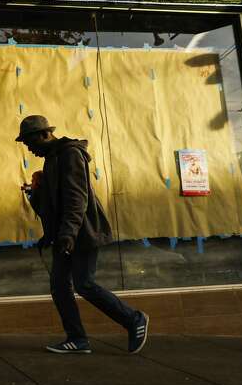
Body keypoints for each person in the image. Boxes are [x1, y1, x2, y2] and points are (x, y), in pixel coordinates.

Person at [16, 115, 149, 354]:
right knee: (59, 286)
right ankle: (78, 339)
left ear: (46, 134)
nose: (29, 148)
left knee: (84, 284)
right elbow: (54, 205)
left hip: (82, 232)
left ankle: (133, 319)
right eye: (26, 144)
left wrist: (68, 234)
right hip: (66, 234)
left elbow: (76, 199)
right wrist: (36, 194)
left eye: (30, 142)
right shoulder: (52, 160)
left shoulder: (70, 155)